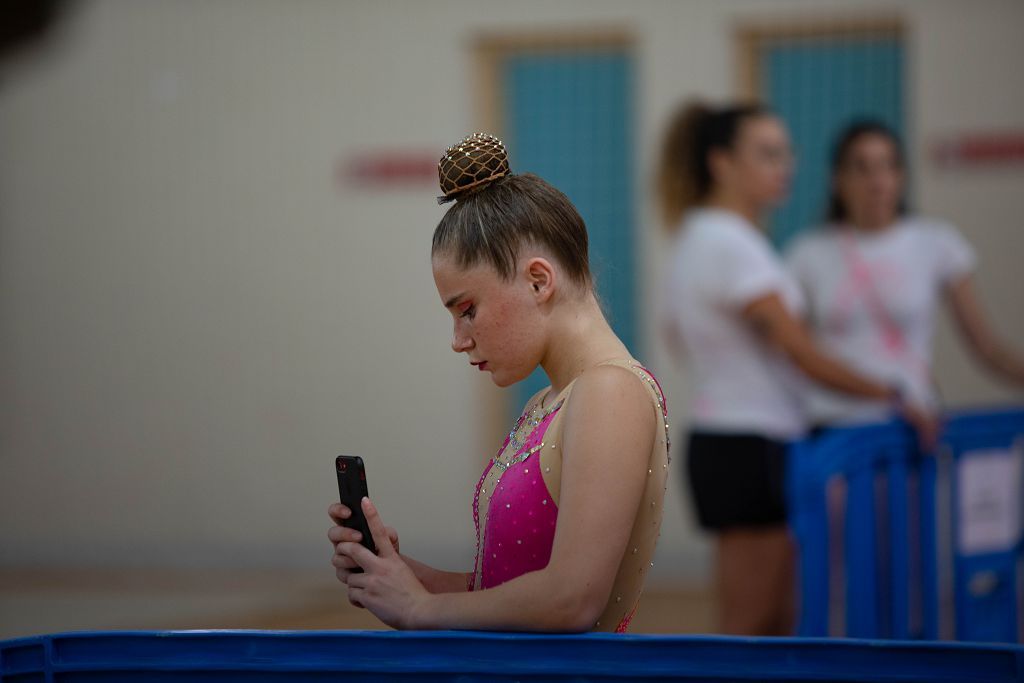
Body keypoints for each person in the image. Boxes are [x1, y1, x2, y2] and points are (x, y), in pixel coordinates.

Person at [327, 133, 670, 632]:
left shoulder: (610, 393)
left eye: (467, 310)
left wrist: (422, 609)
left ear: (538, 280)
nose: (458, 340)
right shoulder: (549, 402)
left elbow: (572, 599)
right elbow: (502, 591)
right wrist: (400, 576)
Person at [655, 102, 933, 636]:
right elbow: (803, 354)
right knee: (751, 626)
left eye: (787, 154)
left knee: (777, 623)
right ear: (722, 163)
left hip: (741, 438)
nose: (784, 167)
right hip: (747, 443)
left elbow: (679, 337)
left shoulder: (703, 236)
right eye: (767, 154)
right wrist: (897, 393)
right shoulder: (730, 244)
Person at [786, 120, 1024, 427]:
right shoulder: (806, 253)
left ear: (901, 175)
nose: (876, 181)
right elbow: (798, 353)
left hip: (909, 424)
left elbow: (985, 344)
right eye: (862, 168)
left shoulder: (936, 243)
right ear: (837, 179)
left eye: (887, 166)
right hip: (832, 425)